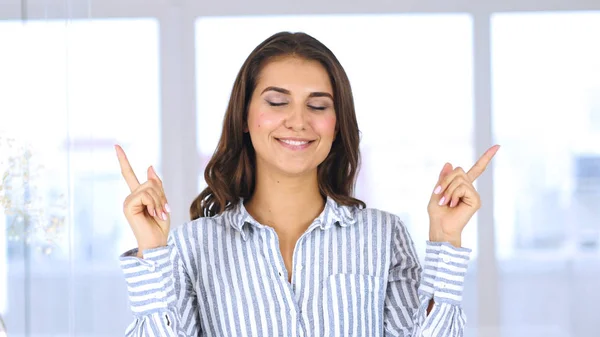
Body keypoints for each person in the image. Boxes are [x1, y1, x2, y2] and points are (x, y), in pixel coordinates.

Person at [115, 31, 499, 337]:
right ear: (245, 118)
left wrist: (446, 239)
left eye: (318, 106)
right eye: (277, 102)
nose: (298, 121)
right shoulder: (191, 246)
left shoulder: (382, 235)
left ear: (336, 124)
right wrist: (152, 252)